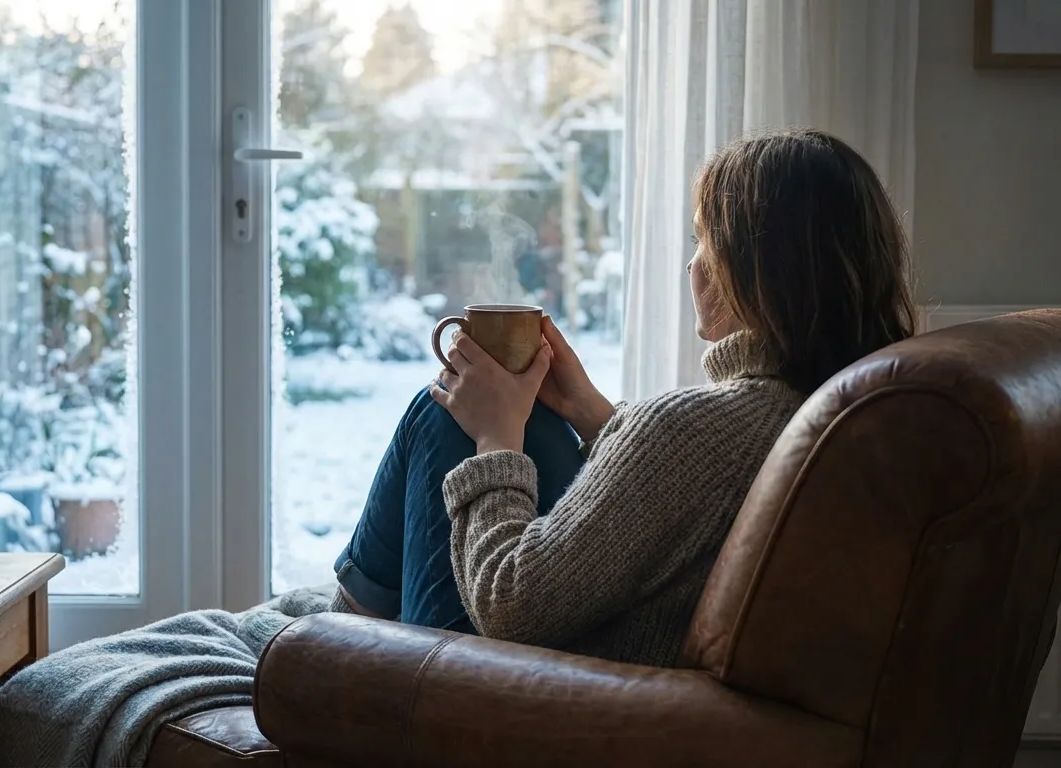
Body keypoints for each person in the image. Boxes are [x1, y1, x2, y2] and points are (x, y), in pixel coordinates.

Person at [328, 128, 918, 667]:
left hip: (537, 688)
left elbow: (510, 604)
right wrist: (594, 415)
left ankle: (347, 642)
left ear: (756, 269)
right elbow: (689, 508)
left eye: (704, 241)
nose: (693, 265)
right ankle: (353, 622)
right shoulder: (848, 400)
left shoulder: (696, 427)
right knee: (526, 419)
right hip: (628, 662)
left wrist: (494, 441)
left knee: (440, 417)